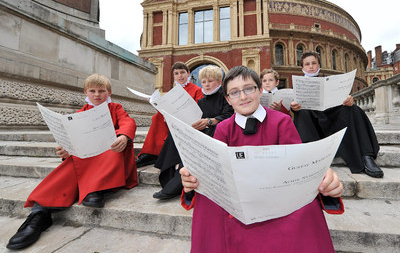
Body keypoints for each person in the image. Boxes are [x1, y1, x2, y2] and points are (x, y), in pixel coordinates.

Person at [180, 65, 344, 252]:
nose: (243, 97)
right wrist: (192, 178)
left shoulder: (282, 121)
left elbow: (298, 163)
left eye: (248, 89)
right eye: (234, 93)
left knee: (304, 206)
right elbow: (216, 169)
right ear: (228, 99)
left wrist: (323, 175)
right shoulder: (223, 128)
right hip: (238, 196)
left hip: (277, 193)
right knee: (206, 200)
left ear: (259, 91)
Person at [6, 74, 138, 250]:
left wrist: (124, 135)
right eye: (92, 91)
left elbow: (128, 121)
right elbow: (71, 139)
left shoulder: (116, 108)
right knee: (69, 165)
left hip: (111, 157)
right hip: (87, 158)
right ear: (86, 92)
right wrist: (66, 149)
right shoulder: (79, 114)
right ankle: (39, 213)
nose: (97, 95)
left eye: (101, 91)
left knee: (109, 143)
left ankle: (95, 189)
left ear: (109, 93)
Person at [291, 51, 383, 178]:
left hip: (331, 119)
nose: (311, 66)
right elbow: (294, 107)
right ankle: (310, 159)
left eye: (314, 63)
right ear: (302, 68)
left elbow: (339, 100)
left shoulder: (329, 81)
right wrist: (294, 107)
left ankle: (366, 156)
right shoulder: (298, 85)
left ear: (319, 66)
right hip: (313, 125)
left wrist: (348, 99)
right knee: (302, 112)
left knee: (354, 109)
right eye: (307, 64)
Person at [153, 66, 234, 200]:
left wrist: (211, 121)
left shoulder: (224, 97)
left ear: (219, 82)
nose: (206, 84)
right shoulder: (201, 100)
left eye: (210, 81)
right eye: (203, 81)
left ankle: (175, 186)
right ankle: (168, 175)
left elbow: (229, 115)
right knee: (174, 135)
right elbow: (197, 116)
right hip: (202, 130)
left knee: (196, 145)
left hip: (218, 131)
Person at [136, 62, 203, 167]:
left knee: (160, 118)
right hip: (173, 118)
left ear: (188, 73)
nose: (180, 76)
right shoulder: (173, 91)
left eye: (182, 72)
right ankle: (150, 153)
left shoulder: (197, 89)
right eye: (176, 73)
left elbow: (198, 109)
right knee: (157, 117)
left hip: (188, 120)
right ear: (173, 76)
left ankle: (156, 153)